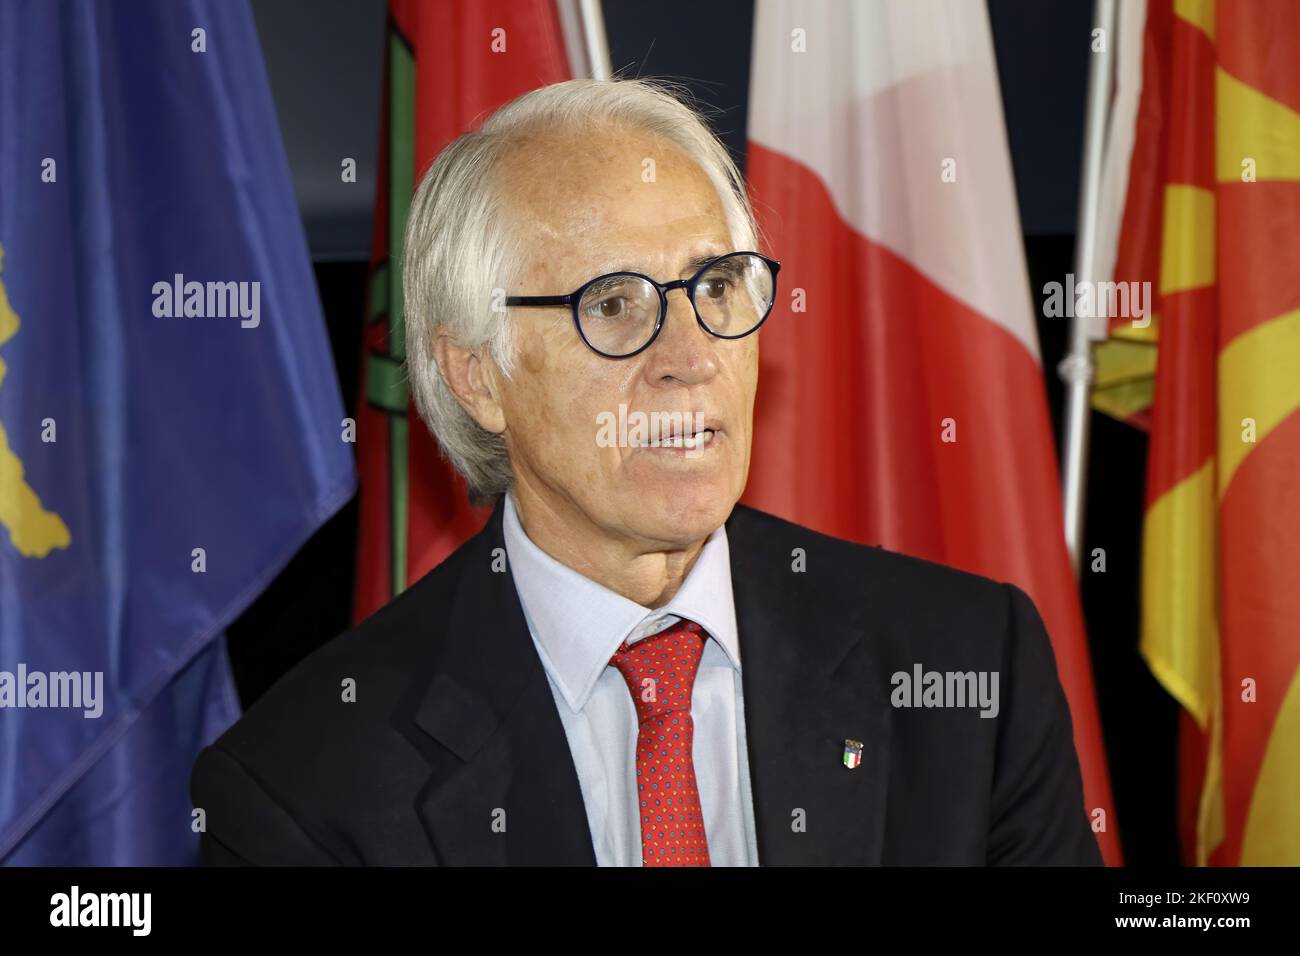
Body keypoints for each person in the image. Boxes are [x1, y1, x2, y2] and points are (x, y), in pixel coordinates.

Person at [189, 78, 1102, 866]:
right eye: (612, 303)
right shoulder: (303, 786)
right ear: (478, 375)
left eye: (714, 287)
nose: (692, 354)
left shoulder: (968, 667)